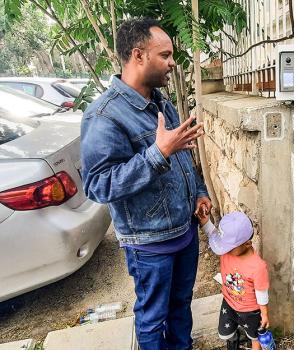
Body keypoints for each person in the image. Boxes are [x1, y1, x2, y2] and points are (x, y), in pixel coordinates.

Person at [80, 17, 211, 350]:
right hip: (150, 244)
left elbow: (183, 158)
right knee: (153, 319)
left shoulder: (162, 103)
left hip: (184, 233)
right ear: (138, 55)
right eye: (165, 55)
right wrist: (158, 152)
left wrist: (199, 192)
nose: (172, 63)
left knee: (181, 306)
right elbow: (98, 185)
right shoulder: (104, 116)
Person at [196, 210, 270, 350]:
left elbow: (261, 292)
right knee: (226, 332)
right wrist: (205, 221)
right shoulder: (227, 250)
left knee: (255, 338)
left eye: (228, 247)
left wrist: (264, 314)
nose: (224, 249)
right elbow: (213, 234)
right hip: (229, 303)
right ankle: (233, 343)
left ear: (247, 244)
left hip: (250, 311)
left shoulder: (257, 266)